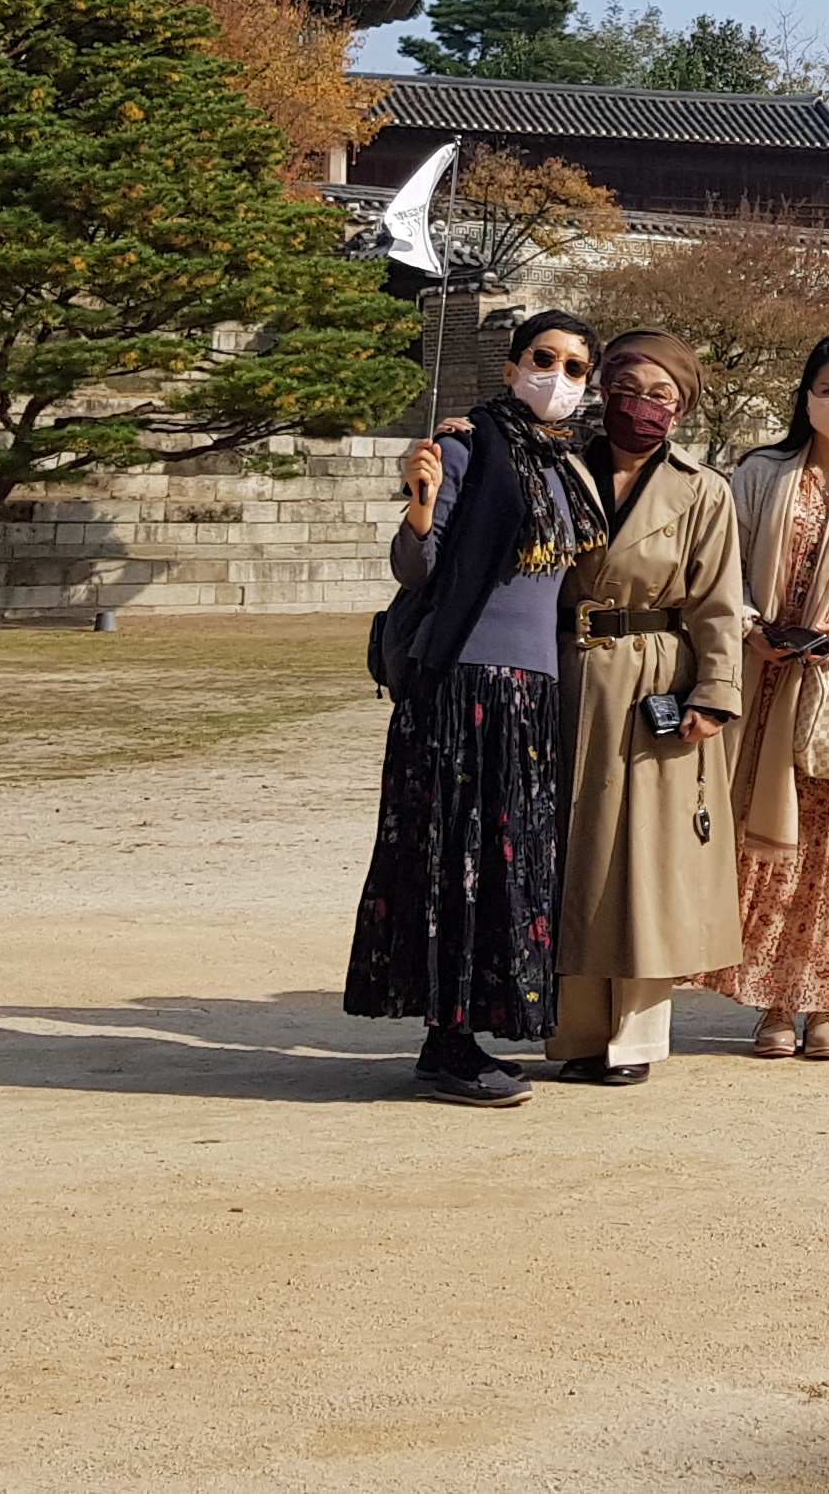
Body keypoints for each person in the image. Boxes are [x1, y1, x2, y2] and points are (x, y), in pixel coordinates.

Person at [348, 310, 606, 1106]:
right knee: (454, 861)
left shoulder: (563, 466)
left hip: (531, 693)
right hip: (465, 687)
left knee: (505, 863)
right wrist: (421, 502)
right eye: (543, 359)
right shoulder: (465, 447)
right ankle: (449, 1040)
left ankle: (458, 1036)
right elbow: (417, 565)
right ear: (510, 367)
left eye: (574, 368)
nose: (557, 377)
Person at [542, 329, 756, 1087]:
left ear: (681, 407)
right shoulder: (558, 470)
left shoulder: (703, 490)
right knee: (572, 857)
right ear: (604, 391)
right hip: (564, 673)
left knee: (645, 863)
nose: (641, 406)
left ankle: (633, 1040)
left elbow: (719, 605)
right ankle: (573, 1034)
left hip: (656, 681)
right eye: (628, 389)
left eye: (660, 394)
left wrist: (714, 696)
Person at [700, 334, 829, 1062]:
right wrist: (752, 626)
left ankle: (828, 1005)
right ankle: (772, 1003)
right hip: (764, 681)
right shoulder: (760, 472)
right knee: (769, 848)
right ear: (805, 395)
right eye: (828, 390)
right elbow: (725, 562)